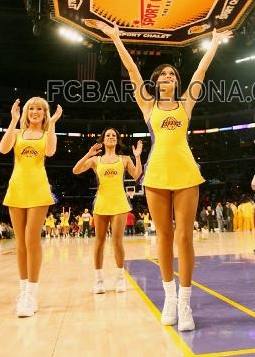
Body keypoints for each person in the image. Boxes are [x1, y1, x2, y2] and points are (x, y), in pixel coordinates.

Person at [84, 18, 231, 331]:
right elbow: (133, 71)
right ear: (156, 82)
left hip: (187, 174)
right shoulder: (148, 106)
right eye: (163, 74)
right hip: (156, 176)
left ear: (176, 82)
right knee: (163, 237)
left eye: (172, 74)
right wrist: (115, 39)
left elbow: (201, 72)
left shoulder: (185, 104)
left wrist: (215, 42)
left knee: (185, 237)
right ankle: (170, 297)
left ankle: (187, 303)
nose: (168, 76)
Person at [0, 97, 62, 317]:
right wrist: (13, 120)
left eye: (40, 109)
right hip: (16, 189)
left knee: (31, 240)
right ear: (25, 112)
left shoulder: (46, 135)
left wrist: (53, 124)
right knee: (20, 243)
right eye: (31, 108)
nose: (35, 112)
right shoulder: (17, 133)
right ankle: (23, 290)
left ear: (45, 114)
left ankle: (32, 295)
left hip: (38, 190)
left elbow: (52, 151)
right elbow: (3, 148)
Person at [73, 128, 142, 294]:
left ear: (117, 140)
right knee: (99, 243)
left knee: (117, 242)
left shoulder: (124, 159)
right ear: (103, 140)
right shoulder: (96, 160)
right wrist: (88, 154)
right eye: (108, 135)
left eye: (114, 135)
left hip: (119, 203)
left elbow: (137, 176)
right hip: (102, 203)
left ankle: (120, 278)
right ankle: (98, 280)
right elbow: (75, 170)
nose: (111, 137)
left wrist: (138, 157)